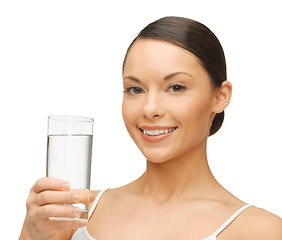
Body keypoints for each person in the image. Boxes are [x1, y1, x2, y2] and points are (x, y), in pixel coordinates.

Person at [19, 16, 282, 240]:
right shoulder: (75, 214)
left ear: (220, 96)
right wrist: (31, 233)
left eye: (176, 87)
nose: (149, 108)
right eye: (135, 89)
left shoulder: (260, 230)